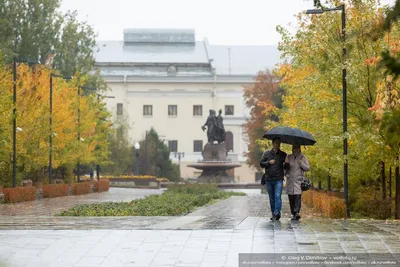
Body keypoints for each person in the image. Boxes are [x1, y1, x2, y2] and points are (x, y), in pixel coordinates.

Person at [260, 137, 287, 220]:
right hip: (268, 179)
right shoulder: (266, 153)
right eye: (276, 143)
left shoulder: (283, 154)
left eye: (279, 143)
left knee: (278, 195)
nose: (277, 144)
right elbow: (261, 164)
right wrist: (269, 162)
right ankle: (273, 213)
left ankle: (277, 212)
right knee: (271, 197)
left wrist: (286, 164)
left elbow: (286, 167)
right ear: (273, 143)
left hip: (278, 179)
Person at [284, 145, 310, 220]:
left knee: (297, 197)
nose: (294, 149)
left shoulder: (303, 157)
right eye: (293, 148)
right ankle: (293, 213)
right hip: (290, 181)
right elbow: (285, 170)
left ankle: (296, 213)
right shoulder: (289, 157)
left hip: (298, 181)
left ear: (299, 149)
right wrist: (286, 164)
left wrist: (301, 163)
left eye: (295, 148)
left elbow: (307, 168)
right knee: (291, 198)